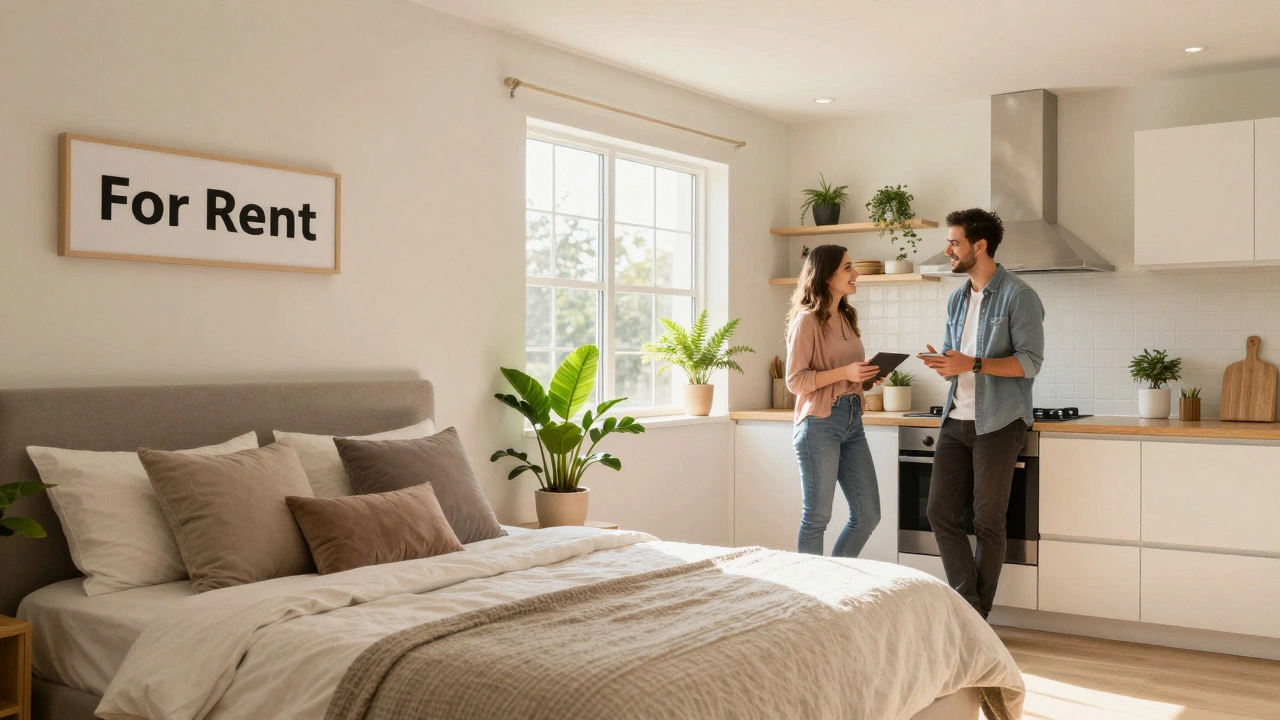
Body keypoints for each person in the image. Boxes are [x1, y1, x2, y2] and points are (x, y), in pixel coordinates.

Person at [918, 209, 1044, 619]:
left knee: (988, 521)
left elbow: (1029, 362)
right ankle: (969, 611)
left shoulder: (1018, 296)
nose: (948, 249)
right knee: (939, 512)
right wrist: (944, 363)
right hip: (956, 419)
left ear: (980, 246)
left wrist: (971, 364)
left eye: (954, 242)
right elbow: (957, 355)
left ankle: (975, 620)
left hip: (999, 422)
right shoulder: (957, 297)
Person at [785, 244, 884, 557]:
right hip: (819, 425)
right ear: (827, 276)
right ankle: (812, 594)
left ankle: (836, 578)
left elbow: (843, 375)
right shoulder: (807, 321)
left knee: (868, 514)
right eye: (847, 268)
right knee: (817, 517)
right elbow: (795, 381)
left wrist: (865, 378)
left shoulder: (846, 316)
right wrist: (846, 372)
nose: (855, 274)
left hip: (852, 420)